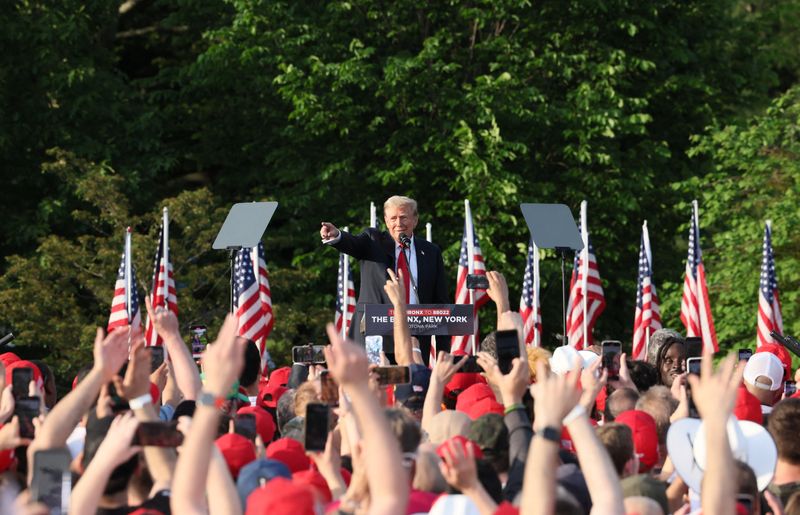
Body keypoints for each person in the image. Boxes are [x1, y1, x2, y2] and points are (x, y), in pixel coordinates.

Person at [320, 196, 448, 361]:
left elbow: (440, 302)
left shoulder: (431, 251)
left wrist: (443, 352)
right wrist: (336, 235)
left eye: (403, 217)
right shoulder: (373, 241)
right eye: (393, 218)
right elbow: (352, 243)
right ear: (386, 221)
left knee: (411, 384)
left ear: (415, 220)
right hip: (375, 335)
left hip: (415, 337)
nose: (398, 223)